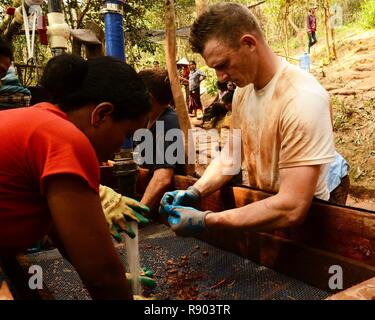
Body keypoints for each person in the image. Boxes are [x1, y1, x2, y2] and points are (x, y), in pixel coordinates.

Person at [160, 3, 338, 237]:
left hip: (304, 226)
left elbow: (292, 206)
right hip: (264, 214)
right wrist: (196, 191)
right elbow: (232, 156)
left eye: (223, 65)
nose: (220, 77)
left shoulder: (302, 98)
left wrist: (207, 220)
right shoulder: (243, 92)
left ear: (249, 43)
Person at [0, 54, 151, 299]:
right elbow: (101, 275)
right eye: (127, 133)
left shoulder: (39, 120)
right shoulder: (66, 139)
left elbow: (64, 233)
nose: (123, 145)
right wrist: (115, 287)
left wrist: (116, 278)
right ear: (102, 114)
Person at [136, 68, 184, 213]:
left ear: (148, 97)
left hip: (164, 207)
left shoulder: (168, 123)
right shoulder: (146, 120)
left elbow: (162, 178)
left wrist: (136, 215)